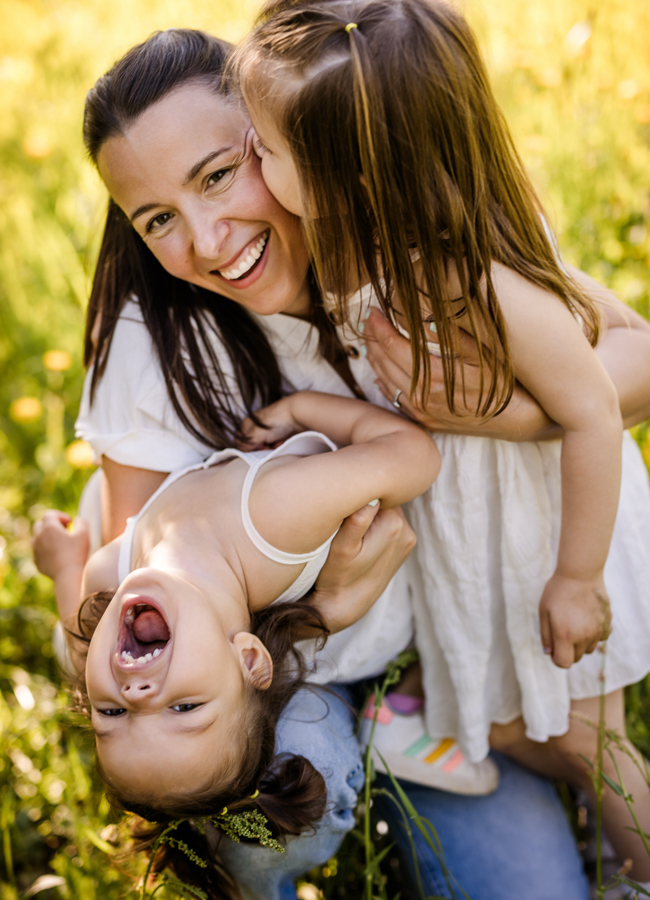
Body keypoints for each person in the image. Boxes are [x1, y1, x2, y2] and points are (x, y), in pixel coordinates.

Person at [72, 27, 650, 899]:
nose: (206, 241)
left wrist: (488, 406)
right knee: (270, 827)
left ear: (292, 136)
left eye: (222, 173)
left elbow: (629, 364)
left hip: (461, 661)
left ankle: (439, 751)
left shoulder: (420, 236)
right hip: (299, 674)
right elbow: (135, 610)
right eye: (157, 219)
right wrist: (322, 611)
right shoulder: (155, 340)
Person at [233, 0, 650, 882]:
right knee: (523, 713)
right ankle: (590, 837)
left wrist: (576, 578)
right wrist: (309, 414)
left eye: (267, 149)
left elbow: (590, 410)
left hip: (553, 518)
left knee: (590, 737)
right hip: (489, 517)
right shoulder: (380, 241)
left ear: (347, 175)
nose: (254, 163)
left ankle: (639, 863)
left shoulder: (461, 272)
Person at [33, 390, 439, 896]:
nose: (136, 696)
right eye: (184, 708)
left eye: (111, 714)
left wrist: (64, 566)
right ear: (248, 659)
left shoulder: (107, 574)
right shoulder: (276, 518)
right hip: (396, 641)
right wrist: (300, 408)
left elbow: (77, 647)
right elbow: (416, 456)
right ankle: (401, 709)